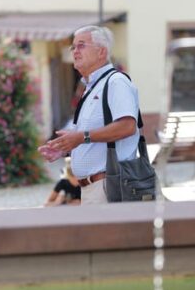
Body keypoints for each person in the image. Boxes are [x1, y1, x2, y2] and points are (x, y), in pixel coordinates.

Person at [39, 25, 140, 205]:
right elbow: (89, 138)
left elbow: (127, 126)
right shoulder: (92, 87)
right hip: (92, 188)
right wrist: (65, 147)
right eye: (73, 47)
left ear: (101, 52)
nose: (74, 51)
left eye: (81, 45)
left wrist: (82, 137)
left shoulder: (116, 82)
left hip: (109, 186)